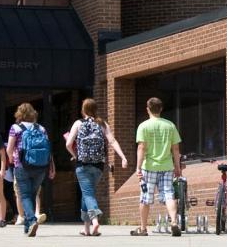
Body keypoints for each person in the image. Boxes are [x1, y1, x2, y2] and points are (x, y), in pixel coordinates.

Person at [65, 98, 128, 236]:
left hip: (83, 164)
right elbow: (112, 141)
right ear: (95, 109)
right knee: (87, 193)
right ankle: (86, 229)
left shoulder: (78, 123)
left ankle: (95, 221)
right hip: (98, 166)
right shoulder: (102, 123)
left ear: (83, 109)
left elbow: (68, 144)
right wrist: (123, 157)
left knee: (88, 194)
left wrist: (75, 155)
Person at [130, 96, 183, 237]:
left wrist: (138, 167)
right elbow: (176, 149)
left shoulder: (144, 126)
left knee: (145, 197)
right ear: (161, 109)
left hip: (149, 167)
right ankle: (173, 221)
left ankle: (143, 228)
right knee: (169, 195)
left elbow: (141, 147)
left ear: (148, 109)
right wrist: (177, 167)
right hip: (167, 166)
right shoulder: (170, 125)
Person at [5, 102, 57, 237]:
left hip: (22, 165)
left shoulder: (15, 128)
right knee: (32, 195)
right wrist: (51, 166)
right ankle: (28, 227)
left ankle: (32, 220)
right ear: (33, 114)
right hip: (40, 166)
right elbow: (48, 149)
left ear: (19, 114)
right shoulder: (41, 128)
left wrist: (10, 159)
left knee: (24, 195)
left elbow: (9, 148)